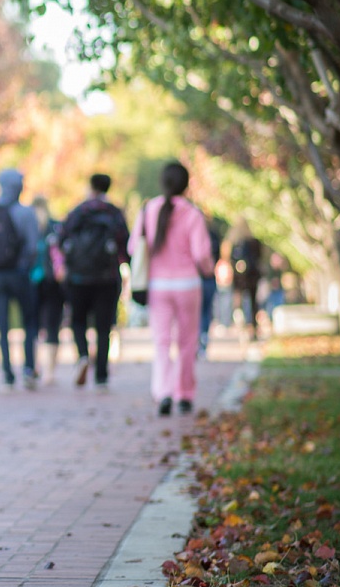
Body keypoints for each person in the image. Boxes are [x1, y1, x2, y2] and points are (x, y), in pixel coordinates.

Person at [130, 161, 211, 417]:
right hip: (188, 285)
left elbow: (134, 248)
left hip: (158, 286)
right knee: (187, 342)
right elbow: (202, 255)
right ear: (186, 185)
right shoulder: (192, 214)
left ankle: (164, 392)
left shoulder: (148, 210)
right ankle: (184, 394)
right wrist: (208, 270)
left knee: (162, 341)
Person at [60, 174, 129, 390]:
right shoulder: (114, 212)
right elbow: (125, 244)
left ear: (90, 187)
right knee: (103, 327)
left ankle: (82, 355)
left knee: (78, 321)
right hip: (107, 277)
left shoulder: (78, 211)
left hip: (78, 277)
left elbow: (61, 239)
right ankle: (101, 374)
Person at [0, 169, 42, 390]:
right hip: (20, 274)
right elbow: (33, 247)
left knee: (2, 326)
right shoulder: (25, 213)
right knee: (29, 323)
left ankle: (7, 373)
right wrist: (25, 266)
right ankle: (29, 369)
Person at [30, 195, 67, 385]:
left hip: (32, 281)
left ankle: (34, 366)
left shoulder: (29, 227)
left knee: (33, 326)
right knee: (53, 326)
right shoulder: (56, 226)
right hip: (54, 282)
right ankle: (50, 372)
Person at [229, 220, 264, 340]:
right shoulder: (250, 242)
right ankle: (250, 327)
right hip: (250, 277)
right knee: (251, 302)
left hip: (244, 278)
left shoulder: (237, 243)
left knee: (242, 302)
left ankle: (245, 326)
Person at [197, 216, 225, 359]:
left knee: (200, 312)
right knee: (205, 311)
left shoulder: (198, 234)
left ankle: (200, 340)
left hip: (199, 278)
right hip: (206, 278)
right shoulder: (213, 234)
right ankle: (202, 339)